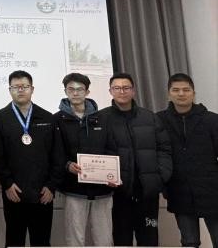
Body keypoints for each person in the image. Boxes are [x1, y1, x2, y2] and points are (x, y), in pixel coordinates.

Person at [0, 70, 64, 247]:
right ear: (9, 90)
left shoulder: (47, 117)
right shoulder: (0, 118)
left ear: (32, 89)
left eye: (24, 86)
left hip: (43, 192)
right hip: (13, 192)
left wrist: (51, 186)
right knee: (14, 240)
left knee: (41, 241)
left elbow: (57, 155)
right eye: (16, 87)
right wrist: (7, 183)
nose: (20, 90)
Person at [101, 72, 172, 246]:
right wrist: (104, 177)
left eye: (126, 88)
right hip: (117, 192)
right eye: (117, 88)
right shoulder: (101, 118)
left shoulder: (150, 117)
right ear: (110, 91)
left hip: (147, 191)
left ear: (133, 91)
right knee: (121, 239)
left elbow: (164, 149)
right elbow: (97, 152)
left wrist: (159, 177)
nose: (122, 91)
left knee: (149, 239)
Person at [53, 72, 115, 247]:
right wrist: (67, 165)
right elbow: (55, 152)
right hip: (73, 189)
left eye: (80, 89)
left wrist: (112, 173)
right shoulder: (57, 119)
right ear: (65, 91)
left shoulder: (103, 118)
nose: (75, 93)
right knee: (75, 238)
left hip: (103, 189)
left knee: (104, 238)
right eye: (70, 89)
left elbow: (112, 148)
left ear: (87, 92)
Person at [157, 73, 218, 247]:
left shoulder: (212, 120)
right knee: (189, 242)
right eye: (176, 90)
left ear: (193, 93)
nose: (181, 94)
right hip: (179, 190)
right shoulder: (159, 120)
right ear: (169, 94)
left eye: (186, 90)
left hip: (212, 190)